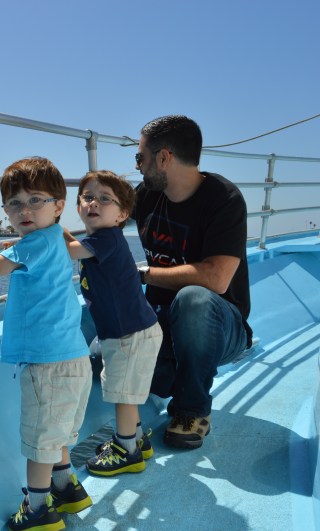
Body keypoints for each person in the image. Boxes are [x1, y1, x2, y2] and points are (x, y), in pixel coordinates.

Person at [0, 157, 93, 531]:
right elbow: (43, 250)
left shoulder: (34, 245)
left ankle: (38, 511)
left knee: (39, 441)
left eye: (35, 200)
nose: (24, 210)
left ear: (59, 206)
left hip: (46, 362)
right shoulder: (55, 240)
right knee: (57, 431)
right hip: (74, 355)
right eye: (14, 203)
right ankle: (68, 488)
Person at [132, 115, 252, 449]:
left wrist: (143, 274)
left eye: (140, 157)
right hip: (163, 324)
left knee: (193, 300)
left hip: (219, 326)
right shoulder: (145, 196)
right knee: (102, 356)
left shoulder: (224, 200)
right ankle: (182, 371)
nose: (137, 167)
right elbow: (102, 213)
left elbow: (216, 278)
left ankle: (191, 410)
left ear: (164, 158)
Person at [63, 170, 163, 476]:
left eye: (105, 199)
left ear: (122, 214)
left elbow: (68, 251)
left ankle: (126, 451)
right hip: (128, 332)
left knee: (122, 394)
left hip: (129, 335)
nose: (94, 203)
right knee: (126, 392)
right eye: (88, 197)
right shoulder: (99, 239)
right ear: (78, 205)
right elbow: (72, 244)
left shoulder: (106, 239)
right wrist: (56, 229)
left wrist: (44, 233)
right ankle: (135, 439)